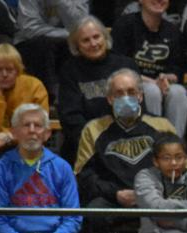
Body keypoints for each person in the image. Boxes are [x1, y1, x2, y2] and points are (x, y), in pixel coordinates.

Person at [76, 68, 180, 233]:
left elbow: (180, 169)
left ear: (140, 96)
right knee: (93, 212)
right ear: (109, 99)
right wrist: (115, 193)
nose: (126, 98)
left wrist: (147, 194)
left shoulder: (161, 126)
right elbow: (84, 177)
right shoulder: (94, 129)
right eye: (119, 93)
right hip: (113, 199)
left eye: (131, 92)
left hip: (155, 197)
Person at [0, 104, 93, 233]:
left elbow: (73, 218)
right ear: (14, 132)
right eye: (26, 125)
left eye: (37, 125)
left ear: (47, 133)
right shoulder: (1, 167)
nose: (32, 130)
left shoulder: (62, 167)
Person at [58, 17, 141, 164]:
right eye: (86, 40)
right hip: (86, 144)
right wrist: (95, 141)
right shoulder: (69, 70)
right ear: (77, 46)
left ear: (105, 37)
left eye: (96, 37)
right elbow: (70, 117)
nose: (93, 44)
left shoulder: (126, 65)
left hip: (124, 140)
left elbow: (138, 107)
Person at [112, 0, 187, 135]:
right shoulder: (124, 25)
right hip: (132, 84)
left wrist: (168, 77)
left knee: (178, 92)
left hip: (162, 84)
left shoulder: (173, 31)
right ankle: (151, 144)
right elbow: (120, 66)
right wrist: (153, 82)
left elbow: (178, 68)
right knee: (151, 91)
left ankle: (175, 145)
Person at [12, 0, 88, 98]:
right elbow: (30, 29)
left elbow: (81, 26)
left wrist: (62, 3)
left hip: (66, 43)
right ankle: (46, 97)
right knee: (43, 44)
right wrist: (69, 34)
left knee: (85, 45)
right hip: (31, 43)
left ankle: (76, 96)